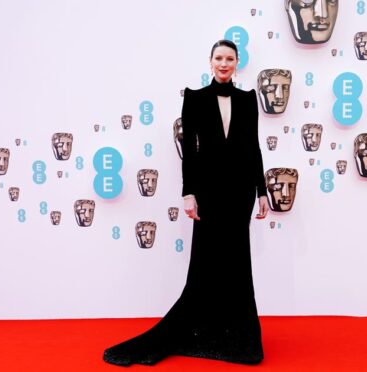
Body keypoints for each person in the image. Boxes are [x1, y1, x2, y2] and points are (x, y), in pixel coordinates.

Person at [103, 39, 269, 366]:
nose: (224, 63)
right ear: (211, 62)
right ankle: (200, 329)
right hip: (207, 192)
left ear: (237, 63)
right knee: (206, 262)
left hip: (239, 193)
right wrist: (188, 191)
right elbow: (190, 152)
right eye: (219, 58)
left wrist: (262, 190)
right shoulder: (195, 98)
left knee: (237, 263)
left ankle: (238, 337)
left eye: (230, 59)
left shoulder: (249, 100)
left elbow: (253, 147)